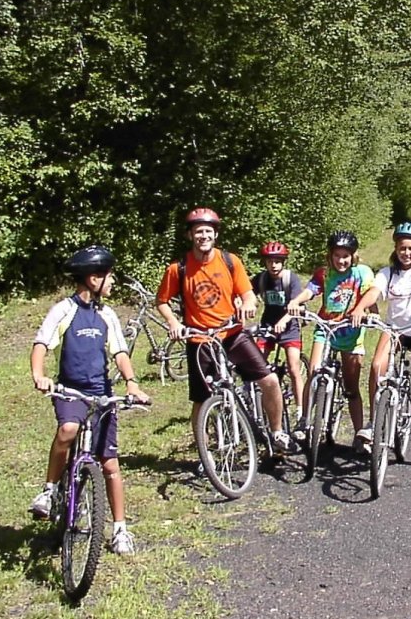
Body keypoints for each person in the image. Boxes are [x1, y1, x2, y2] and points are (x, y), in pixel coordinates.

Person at [30, 245, 150, 555]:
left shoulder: (107, 315)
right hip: (71, 390)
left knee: (109, 463)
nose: (112, 282)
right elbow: (41, 344)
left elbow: (120, 352)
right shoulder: (64, 310)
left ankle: (121, 529)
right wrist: (40, 375)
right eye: (108, 276)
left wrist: (132, 384)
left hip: (102, 393)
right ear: (92, 279)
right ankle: (49, 490)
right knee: (68, 429)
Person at [155, 208, 297, 457]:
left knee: (270, 380)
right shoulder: (178, 268)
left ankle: (277, 433)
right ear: (190, 235)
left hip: (231, 333)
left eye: (208, 231)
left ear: (215, 234)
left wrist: (249, 303)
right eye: (198, 231)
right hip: (199, 339)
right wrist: (173, 323)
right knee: (201, 400)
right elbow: (162, 301)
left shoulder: (230, 261)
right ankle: (204, 453)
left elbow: (247, 293)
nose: (203, 236)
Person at [350, 222, 411, 474]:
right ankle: (374, 423)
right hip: (394, 331)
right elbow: (374, 292)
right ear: (395, 248)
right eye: (402, 248)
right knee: (376, 367)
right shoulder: (388, 272)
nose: (406, 253)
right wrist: (361, 307)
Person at [286, 230, 374, 452]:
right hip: (325, 329)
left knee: (352, 388)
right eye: (337, 255)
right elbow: (310, 291)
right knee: (315, 371)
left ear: (353, 256)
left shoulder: (362, 273)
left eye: (346, 256)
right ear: (330, 255)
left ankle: (358, 435)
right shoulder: (324, 274)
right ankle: (305, 419)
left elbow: (370, 295)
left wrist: (371, 313)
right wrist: (296, 301)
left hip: (351, 334)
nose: (341, 260)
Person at [251, 241, 306, 425]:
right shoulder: (262, 279)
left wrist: (284, 321)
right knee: (257, 363)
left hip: (289, 326)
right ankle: (256, 402)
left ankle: (300, 410)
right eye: (269, 261)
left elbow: (296, 303)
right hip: (268, 325)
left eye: (277, 261)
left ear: (283, 261)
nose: (273, 265)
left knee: (293, 367)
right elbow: (246, 294)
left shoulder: (291, 279)